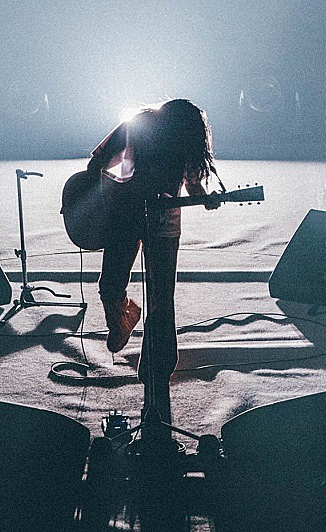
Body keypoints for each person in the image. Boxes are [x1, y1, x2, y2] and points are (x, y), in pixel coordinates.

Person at [86, 99, 219, 438]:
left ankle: (158, 368)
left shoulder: (184, 142)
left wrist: (204, 197)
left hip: (165, 224)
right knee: (109, 285)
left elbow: (192, 183)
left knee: (161, 301)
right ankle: (125, 315)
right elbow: (99, 160)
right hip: (125, 217)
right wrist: (107, 196)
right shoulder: (137, 124)